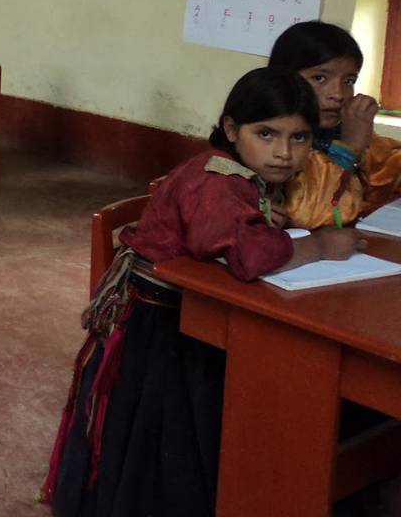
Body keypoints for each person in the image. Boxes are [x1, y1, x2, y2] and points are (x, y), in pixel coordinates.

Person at [43, 67, 363, 517]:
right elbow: (246, 256)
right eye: (266, 133)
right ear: (232, 128)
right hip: (154, 323)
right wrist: (319, 246)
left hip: (179, 307)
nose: (283, 153)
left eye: (300, 138)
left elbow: (230, 228)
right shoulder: (215, 179)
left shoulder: (235, 171)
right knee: (159, 432)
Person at [269, 21, 401, 229]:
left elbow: (387, 166)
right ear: (282, 78)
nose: (338, 95)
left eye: (348, 81)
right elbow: (312, 217)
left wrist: (358, 143)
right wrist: (350, 148)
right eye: (319, 78)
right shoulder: (270, 137)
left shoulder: (334, 132)